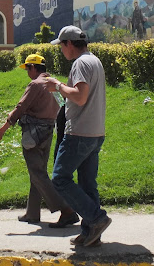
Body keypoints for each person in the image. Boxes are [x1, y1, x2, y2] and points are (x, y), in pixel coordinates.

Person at [0, 54, 78, 227]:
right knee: (37, 173)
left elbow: (20, 108)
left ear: (33, 68)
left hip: (33, 134)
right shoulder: (53, 84)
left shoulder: (35, 84)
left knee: (37, 174)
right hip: (48, 131)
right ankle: (32, 213)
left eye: (27, 69)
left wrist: (2, 130)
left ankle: (67, 209)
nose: (27, 73)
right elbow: (62, 106)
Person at [45, 26, 111, 247]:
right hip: (95, 132)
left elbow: (80, 97)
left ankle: (96, 218)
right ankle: (91, 233)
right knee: (87, 183)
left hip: (79, 132)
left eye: (61, 46)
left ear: (69, 44)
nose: (62, 51)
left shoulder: (80, 63)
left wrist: (58, 86)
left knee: (60, 178)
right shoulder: (95, 61)